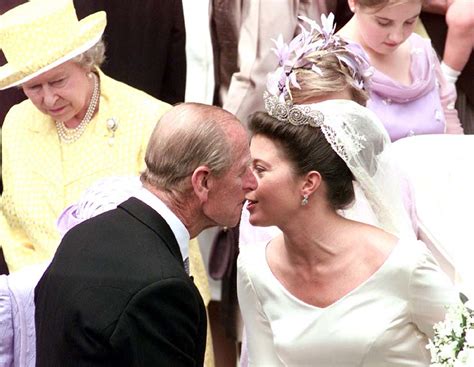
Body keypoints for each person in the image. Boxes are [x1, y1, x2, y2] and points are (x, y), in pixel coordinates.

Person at [237, 94, 459, 365]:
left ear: (309, 183)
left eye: (260, 169)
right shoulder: (253, 269)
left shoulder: (402, 264)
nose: (246, 182)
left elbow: (465, 343)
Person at [34, 102, 257, 365]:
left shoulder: (82, 235)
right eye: (242, 171)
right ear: (203, 182)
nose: (252, 183)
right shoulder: (162, 290)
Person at [0, 0, 170, 272]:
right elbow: (12, 226)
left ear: (87, 61)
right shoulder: (17, 123)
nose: (48, 98)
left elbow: (169, 235)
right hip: (41, 298)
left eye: (58, 81)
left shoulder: (151, 120)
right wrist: (43, 291)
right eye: (33, 87)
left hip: (130, 298)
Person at [338, 0, 464, 141]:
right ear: (353, 2)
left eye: (410, 21)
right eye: (383, 22)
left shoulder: (421, 50)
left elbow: (449, 120)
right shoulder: (333, 64)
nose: (397, 37)